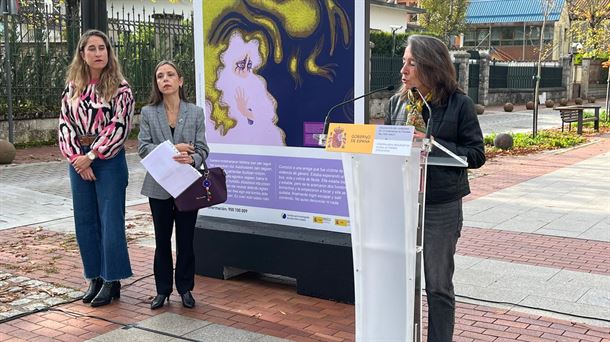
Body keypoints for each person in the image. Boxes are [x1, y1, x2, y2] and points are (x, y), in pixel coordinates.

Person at [385, 35, 486, 341]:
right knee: (400, 282)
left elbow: (476, 154)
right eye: (404, 61)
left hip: (440, 207)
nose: (403, 69)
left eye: (411, 62)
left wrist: (432, 145)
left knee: (438, 285)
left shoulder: (459, 105)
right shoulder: (397, 103)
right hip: (403, 205)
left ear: (430, 65)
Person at [58, 29, 135, 307]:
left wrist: (91, 156)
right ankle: (95, 277)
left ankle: (112, 278)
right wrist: (77, 158)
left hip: (108, 160)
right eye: (92, 48)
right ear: (82, 54)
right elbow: (64, 123)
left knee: (110, 221)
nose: (98, 53)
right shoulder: (73, 86)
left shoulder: (120, 87)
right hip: (78, 161)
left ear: (108, 52)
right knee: (85, 221)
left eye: (102, 48)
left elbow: (120, 126)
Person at [138, 60, 209, 310]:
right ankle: (162, 290)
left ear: (180, 80)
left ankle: (185, 288)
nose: (165, 79)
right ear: (156, 83)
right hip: (158, 185)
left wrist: (193, 157)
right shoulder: (148, 112)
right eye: (160, 76)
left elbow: (202, 148)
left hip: (187, 185)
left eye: (170, 75)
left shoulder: (195, 112)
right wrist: (172, 150)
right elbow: (143, 147)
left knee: (186, 240)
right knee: (161, 240)